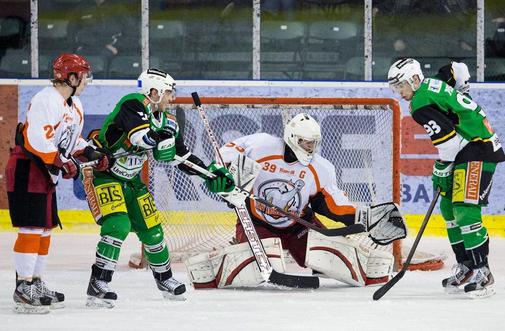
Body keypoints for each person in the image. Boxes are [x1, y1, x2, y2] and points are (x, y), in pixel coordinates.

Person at [185, 113, 407, 289]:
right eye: (305, 142)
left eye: (313, 143)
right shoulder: (262, 146)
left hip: (298, 225)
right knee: (261, 266)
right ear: (292, 137)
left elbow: (332, 205)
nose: (310, 148)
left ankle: (365, 263)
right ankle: (219, 265)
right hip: (257, 223)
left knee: (327, 258)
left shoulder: (320, 168)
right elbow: (231, 150)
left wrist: (363, 217)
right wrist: (223, 171)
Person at [83, 68, 234, 307]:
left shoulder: (168, 122)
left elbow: (182, 157)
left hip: (131, 180)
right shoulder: (132, 104)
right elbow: (141, 139)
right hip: (104, 174)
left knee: (153, 230)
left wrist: (209, 173)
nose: (171, 97)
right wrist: (161, 137)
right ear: (153, 91)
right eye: (168, 92)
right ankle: (98, 283)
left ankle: (165, 280)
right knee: (117, 225)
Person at [388, 58, 505, 298]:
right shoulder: (431, 83)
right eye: (395, 87)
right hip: (468, 146)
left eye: (401, 85)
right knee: (448, 206)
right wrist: (462, 90)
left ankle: (484, 272)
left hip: (477, 147)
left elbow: (450, 143)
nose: (399, 91)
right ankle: (467, 266)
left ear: (414, 79)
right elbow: (455, 68)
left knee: (465, 209)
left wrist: (441, 169)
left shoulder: (420, 103)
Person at [5, 53, 108, 314]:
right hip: (27, 168)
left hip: (45, 172)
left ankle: (36, 283)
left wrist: (89, 153)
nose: (86, 81)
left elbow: (71, 141)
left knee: (45, 228)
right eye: (83, 76)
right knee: (31, 228)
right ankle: (23, 286)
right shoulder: (46, 99)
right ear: (71, 77)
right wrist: (61, 162)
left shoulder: (75, 105)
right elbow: (35, 140)